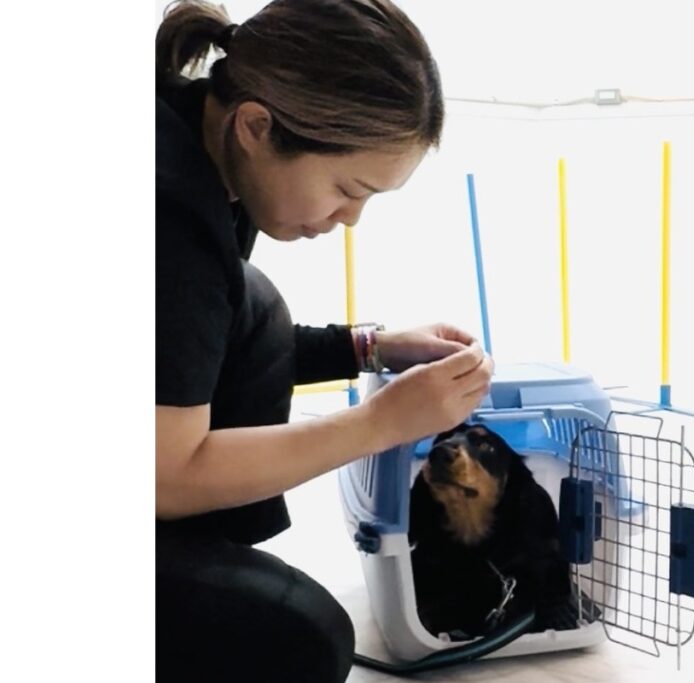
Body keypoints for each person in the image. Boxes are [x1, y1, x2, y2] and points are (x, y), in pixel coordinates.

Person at [155, 1, 494, 680]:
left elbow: (183, 346)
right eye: (347, 188)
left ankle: (198, 559)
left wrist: (371, 347)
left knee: (255, 308)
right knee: (303, 639)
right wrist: (381, 421)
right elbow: (164, 474)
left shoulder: (202, 150)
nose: (351, 218)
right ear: (257, 126)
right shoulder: (167, 211)